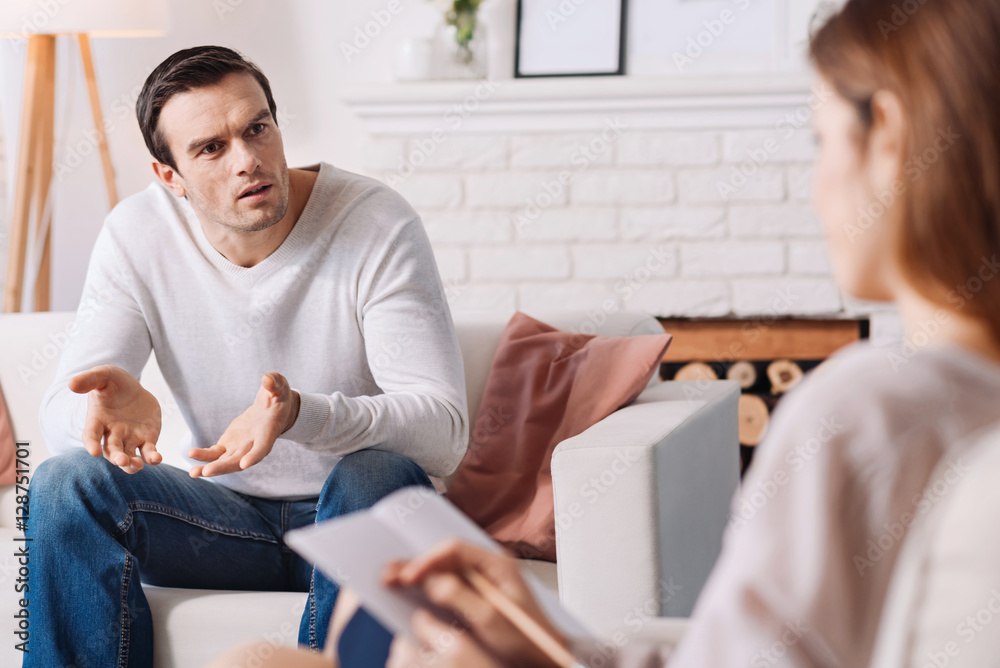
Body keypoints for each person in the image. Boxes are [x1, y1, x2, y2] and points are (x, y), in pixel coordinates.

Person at [210, 0, 1000, 665]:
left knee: (256, 661)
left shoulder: (872, 405)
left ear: (889, 133)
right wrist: (550, 640)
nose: (817, 182)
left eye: (821, 138)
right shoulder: (959, 407)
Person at [24, 45, 469, 668]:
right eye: (211, 148)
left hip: (352, 511)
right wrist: (97, 412)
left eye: (257, 128)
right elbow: (57, 420)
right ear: (168, 176)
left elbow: (444, 435)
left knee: (375, 472)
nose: (249, 161)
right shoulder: (137, 235)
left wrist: (301, 415)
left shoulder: (374, 222)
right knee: (62, 482)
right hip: (226, 522)